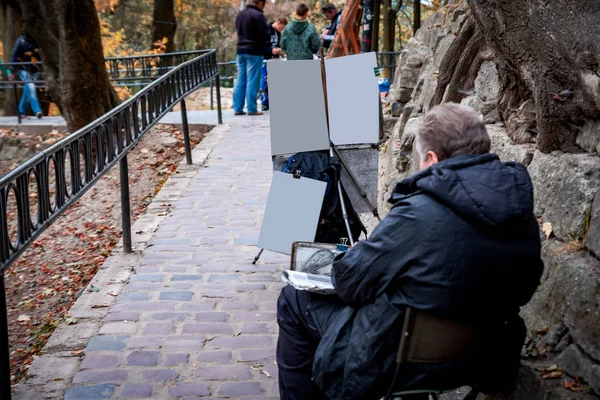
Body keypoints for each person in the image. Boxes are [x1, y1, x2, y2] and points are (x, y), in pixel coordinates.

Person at [276, 103, 544, 400]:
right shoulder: (520, 211)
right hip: (485, 357)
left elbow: (351, 282)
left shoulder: (418, 212)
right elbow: (525, 287)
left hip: (401, 362)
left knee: (293, 299)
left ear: (431, 158)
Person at [233, 0, 270, 116]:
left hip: (240, 50)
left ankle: (237, 108)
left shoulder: (240, 14)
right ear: (260, 3)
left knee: (241, 78)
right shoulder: (259, 16)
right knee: (253, 79)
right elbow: (265, 35)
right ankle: (252, 108)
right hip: (254, 51)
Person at [9, 33, 43, 119]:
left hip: (35, 69)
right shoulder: (21, 40)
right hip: (23, 68)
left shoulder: (39, 39)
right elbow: (14, 55)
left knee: (27, 90)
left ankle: (21, 112)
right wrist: (12, 71)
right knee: (31, 87)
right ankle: (37, 110)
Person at [260, 17, 288, 112]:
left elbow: (277, 44)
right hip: (265, 59)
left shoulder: (278, 33)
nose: (282, 30)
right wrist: (271, 51)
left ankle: (273, 101)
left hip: (274, 59)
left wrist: (279, 51)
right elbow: (261, 46)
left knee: (274, 80)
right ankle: (264, 102)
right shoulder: (266, 30)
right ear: (278, 23)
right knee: (264, 80)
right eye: (282, 27)